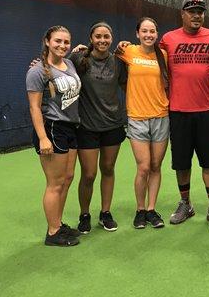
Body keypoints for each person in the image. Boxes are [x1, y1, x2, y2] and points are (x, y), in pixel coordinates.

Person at [159, 0, 209, 230]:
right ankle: (186, 204)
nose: (196, 15)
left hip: (207, 111)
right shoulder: (168, 39)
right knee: (182, 162)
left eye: (200, 11)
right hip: (178, 111)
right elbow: (148, 55)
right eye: (191, 11)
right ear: (182, 14)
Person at [26, 25, 81, 247]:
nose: (62, 45)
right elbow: (34, 107)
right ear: (47, 41)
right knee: (55, 183)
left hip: (71, 127)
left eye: (66, 42)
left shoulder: (69, 63)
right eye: (57, 41)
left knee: (67, 178)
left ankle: (58, 222)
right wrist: (43, 138)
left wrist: (78, 49)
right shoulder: (37, 71)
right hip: (52, 128)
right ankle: (53, 232)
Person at [69, 22, 126, 234]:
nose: (103, 40)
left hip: (113, 124)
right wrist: (39, 65)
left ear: (111, 39)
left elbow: (128, 85)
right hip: (86, 126)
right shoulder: (78, 58)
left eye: (106, 37)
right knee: (89, 174)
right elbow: (57, 66)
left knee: (108, 169)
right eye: (98, 37)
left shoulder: (118, 62)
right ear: (91, 39)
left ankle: (105, 213)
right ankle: (84, 214)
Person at [116, 17, 169, 229]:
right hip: (137, 117)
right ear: (137, 33)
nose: (149, 35)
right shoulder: (127, 51)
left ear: (157, 34)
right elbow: (103, 60)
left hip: (161, 116)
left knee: (156, 166)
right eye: (144, 31)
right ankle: (140, 209)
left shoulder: (163, 55)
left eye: (152, 31)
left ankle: (151, 209)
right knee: (144, 167)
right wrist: (78, 51)